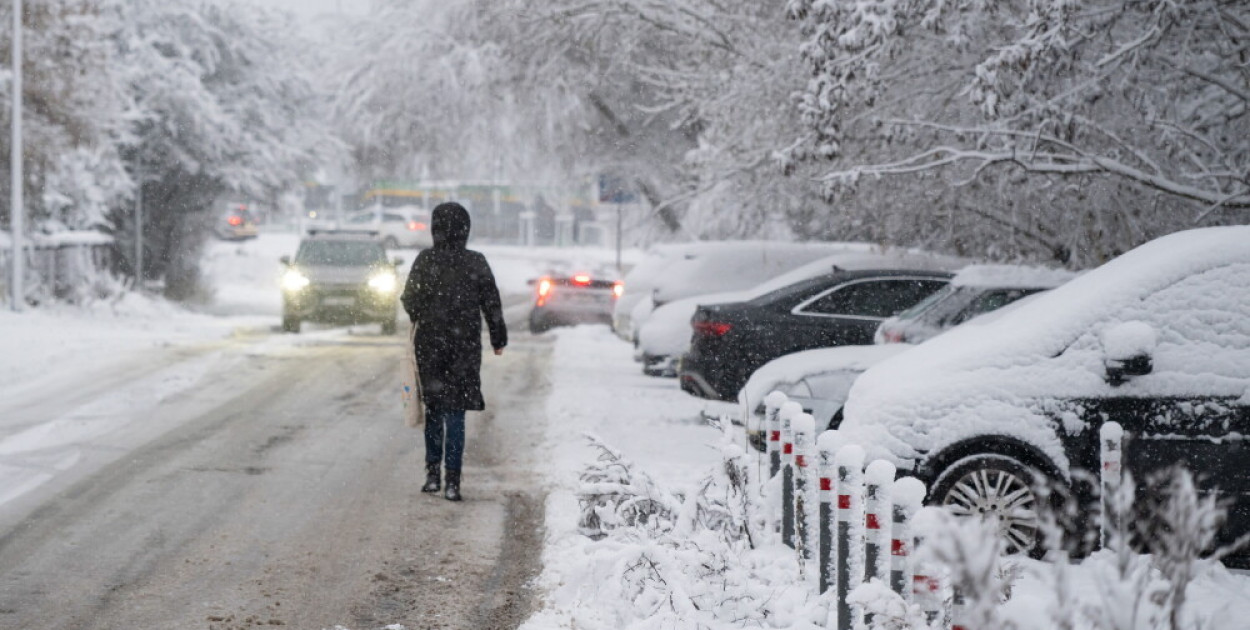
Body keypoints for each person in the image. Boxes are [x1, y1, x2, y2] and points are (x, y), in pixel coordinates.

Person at [400, 202, 507, 501]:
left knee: (434, 409)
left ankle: (432, 474)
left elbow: (409, 299)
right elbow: (492, 303)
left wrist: (425, 313)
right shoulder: (476, 262)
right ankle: (453, 481)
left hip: (431, 345)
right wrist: (498, 338)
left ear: (435, 229)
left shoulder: (425, 260)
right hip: (465, 347)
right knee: (456, 412)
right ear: (465, 230)